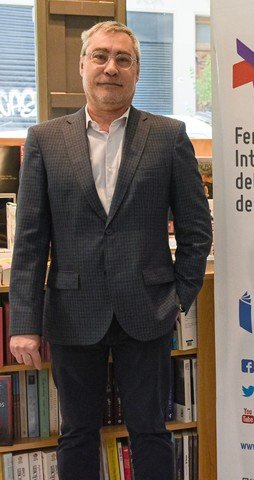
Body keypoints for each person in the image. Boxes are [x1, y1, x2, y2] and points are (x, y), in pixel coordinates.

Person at [8, 21, 212, 480]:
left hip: (148, 309)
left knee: (151, 431)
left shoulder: (167, 135)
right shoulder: (44, 139)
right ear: (82, 66)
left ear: (137, 72)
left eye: (123, 59)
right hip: (71, 311)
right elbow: (30, 241)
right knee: (76, 433)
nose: (110, 68)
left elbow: (198, 229)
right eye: (100, 56)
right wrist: (23, 322)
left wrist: (179, 296)